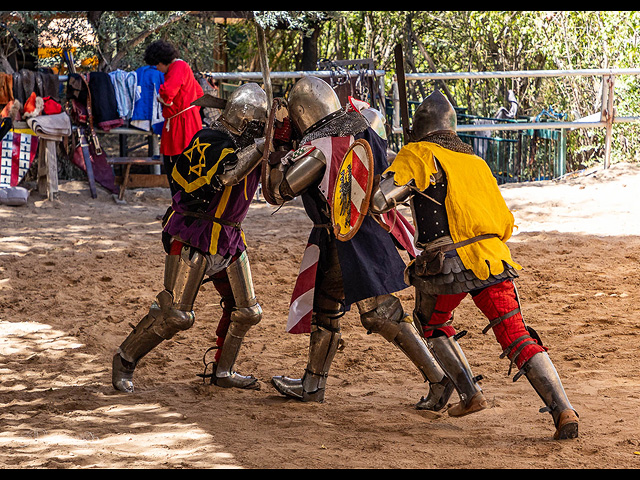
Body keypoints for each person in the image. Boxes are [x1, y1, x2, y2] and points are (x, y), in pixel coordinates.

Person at [369, 89, 579, 440]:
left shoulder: (418, 153)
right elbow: (505, 221)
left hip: (446, 264)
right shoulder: (476, 163)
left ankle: (470, 393)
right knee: (516, 333)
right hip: (492, 259)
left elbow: (377, 200)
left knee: (430, 323)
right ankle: (563, 409)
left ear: (420, 128)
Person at [264, 76, 455, 410]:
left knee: (380, 312)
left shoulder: (320, 148)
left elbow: (279, 191)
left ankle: (439, 378)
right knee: (325, 308)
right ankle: (312, 384)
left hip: (350, 237)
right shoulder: (363, 128)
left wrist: (270, 151)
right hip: (355, 231)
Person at [111, 83, 269, 393]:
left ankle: (223, 372)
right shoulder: (211, 140)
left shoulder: (254, 147)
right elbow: (225, 174)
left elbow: (276, 187)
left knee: (247, 311)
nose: (262, 130)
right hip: (194, 233)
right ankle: (125, 359)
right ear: (244, 120)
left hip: (230, 236)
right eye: (259, 124)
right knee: (176, 314)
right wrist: (262, 146)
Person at [143, 40, 204, 196]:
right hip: (186, 120)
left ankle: (180, 207)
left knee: (178, 166)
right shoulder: (183, 67)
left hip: (181, 124)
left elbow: (167, 94)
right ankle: (180, 207)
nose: (157, 69)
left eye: (157, 65)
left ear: (161, 60)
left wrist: (162, 99)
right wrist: (189, 111)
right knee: (182, 165)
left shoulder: (178, 67)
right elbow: (199, 95)